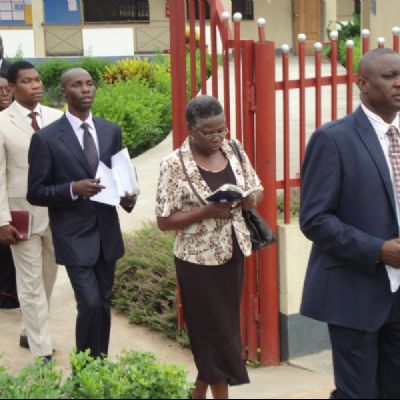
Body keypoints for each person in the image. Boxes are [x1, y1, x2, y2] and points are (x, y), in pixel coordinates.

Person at [300, 48, 400, 399]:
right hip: (355, 292)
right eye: (389, 77)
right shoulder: (333, 139)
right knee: (358, 393)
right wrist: (378, 250)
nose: (399, 83)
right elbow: (314, 219)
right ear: (362, 84)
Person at [156, 95, 263, 400]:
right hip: (197, 262)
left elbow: (257, 187)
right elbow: (164, 220)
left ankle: (197, 394)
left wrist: (249, 199)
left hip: (233, 253)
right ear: (191, 129)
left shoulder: (234, 149)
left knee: (223, 330)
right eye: (209, 132)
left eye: (221, 130)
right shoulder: (174, 165)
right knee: (214, 335)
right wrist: (207, 211)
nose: (217, 138)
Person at [27, 68, 137, 359]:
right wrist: (72, 189)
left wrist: (128, 196)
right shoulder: (47, 138)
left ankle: (99, 367)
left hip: (106, 233)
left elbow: (118, 175)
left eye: (89, 83)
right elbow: (35, 192)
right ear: (63, 92)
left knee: (102, 303)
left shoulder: (110, 131)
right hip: (73, 235)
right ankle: (84, 370)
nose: (86, 89)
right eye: (77, 85)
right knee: (89, 303)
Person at [0, 61, 62, 361]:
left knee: (48, 277)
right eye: (27, 81)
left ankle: (29, 329)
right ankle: (41, 348)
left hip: (57, 214)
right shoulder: (2, 122)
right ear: (12, 87)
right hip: (20, 215)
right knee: (30, 282)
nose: (36, 85)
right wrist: (1, 220)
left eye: (38, 79)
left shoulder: (57, 118)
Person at [0, 71, 19, 310]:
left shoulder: (19, 119)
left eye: (7, 89)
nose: (4, 94)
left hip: (12, 195)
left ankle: (9, 295)